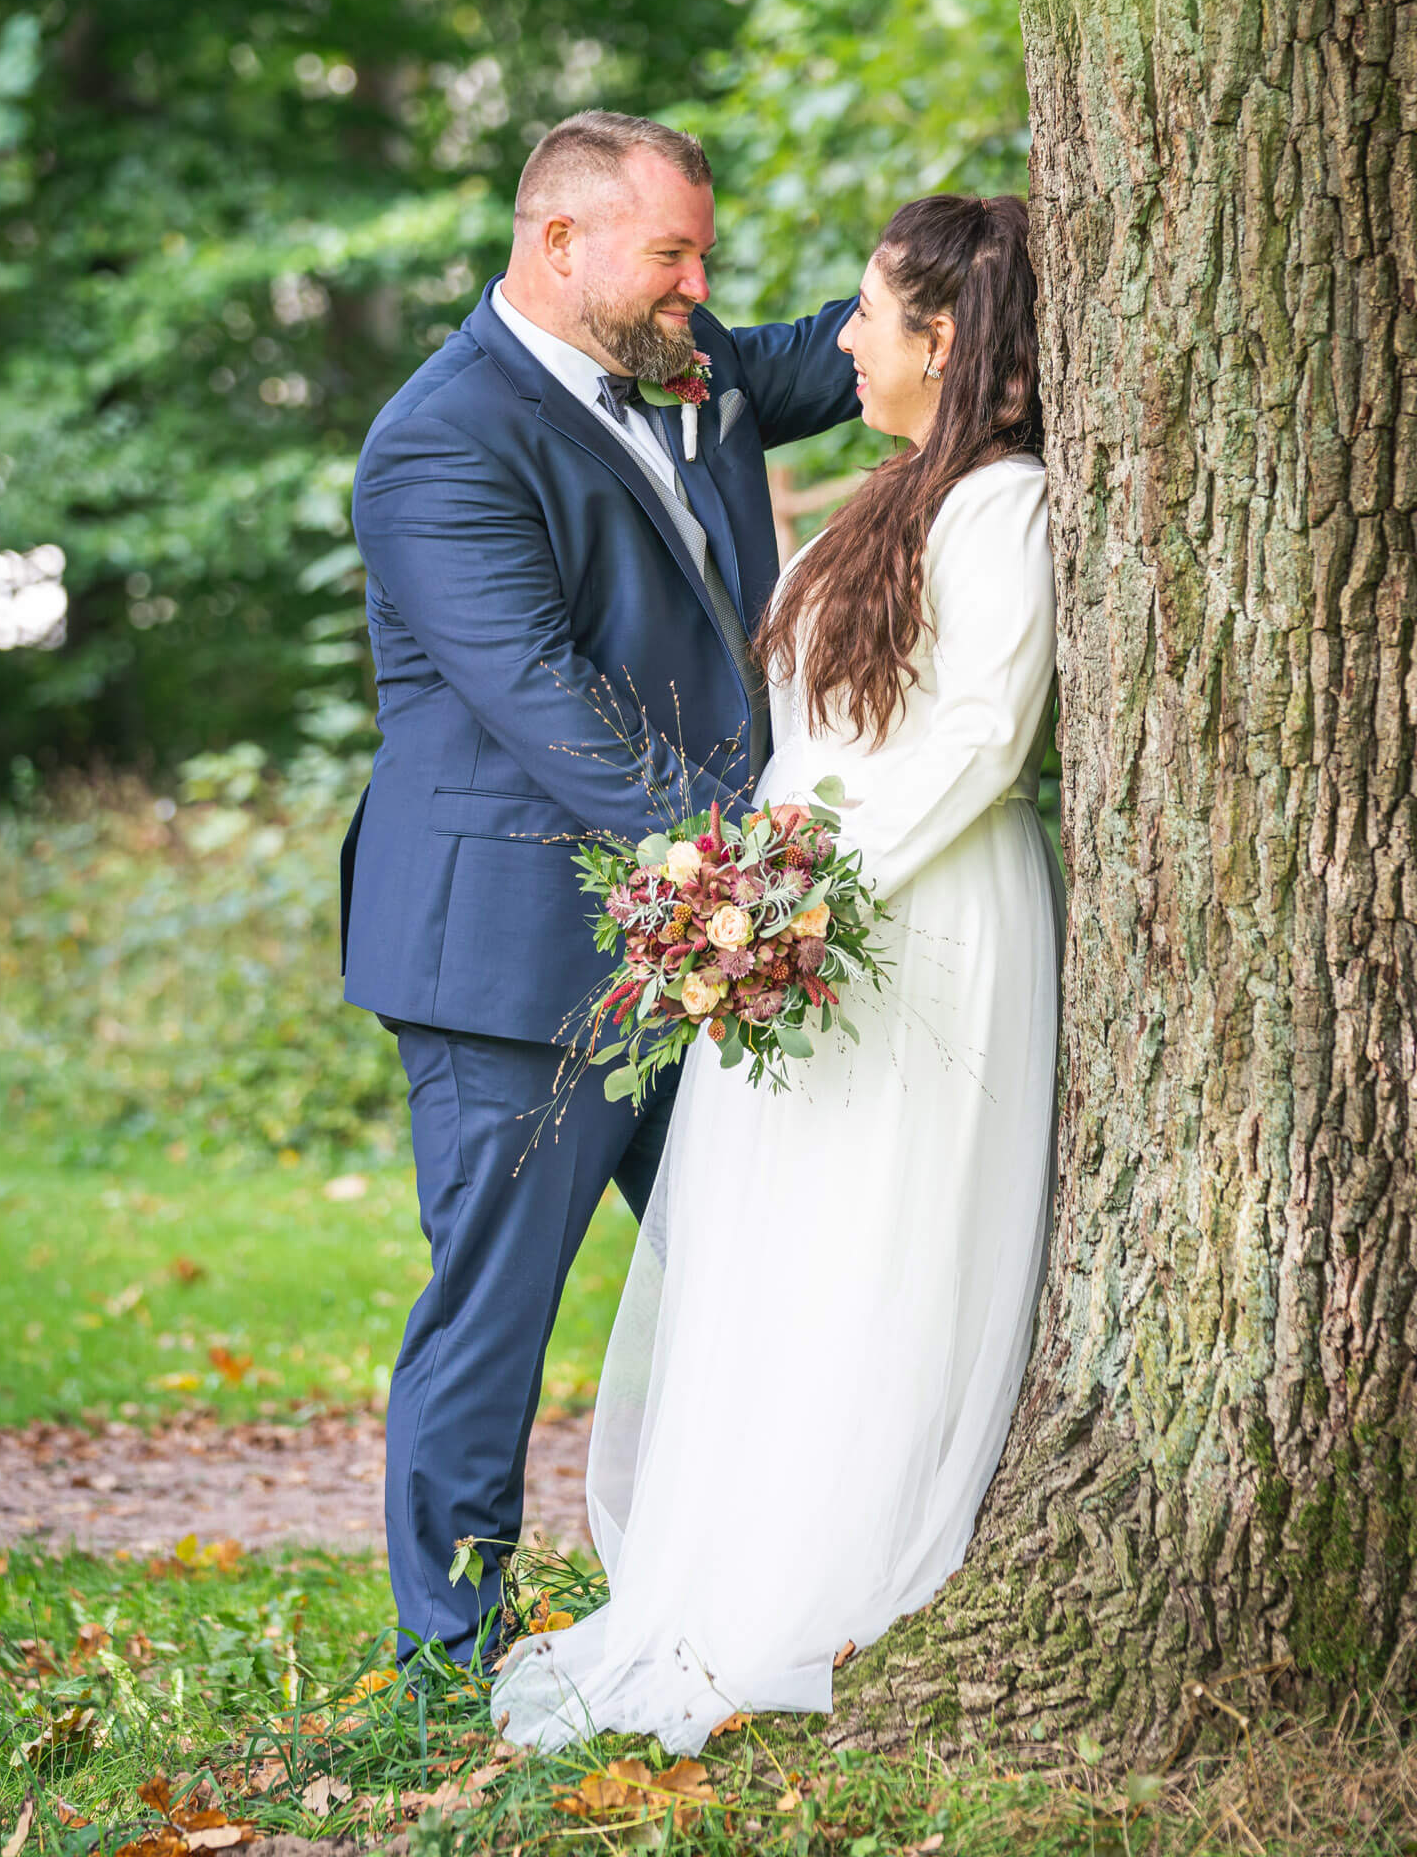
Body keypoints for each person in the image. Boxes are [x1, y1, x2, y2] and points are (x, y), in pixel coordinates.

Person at [492, 192, 1063, 1755]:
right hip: (812, 929)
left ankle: (837, 1583)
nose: (846, 339)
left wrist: (796, 892)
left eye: (872, 315)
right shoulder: (896, 497)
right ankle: (737, 1570)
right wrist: (756, 888)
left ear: (940, 344)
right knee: (789, 1245)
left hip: (920, 924)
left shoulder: (1002, 508)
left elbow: (976, 741)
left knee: (879, 1241)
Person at [340, 110, 860, 1672]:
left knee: (764, 1271)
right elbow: (548, 701)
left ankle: (770, 1597)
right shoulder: (441, 439)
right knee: (493, 1316)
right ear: (559, 244)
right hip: (514, 960)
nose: (700, 285)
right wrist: (754, 873)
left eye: (703, 252)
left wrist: (1024, 237)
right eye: (672, 253)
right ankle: (449, 1653)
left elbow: (872, 344)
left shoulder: (685, 372)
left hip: (698, 943)